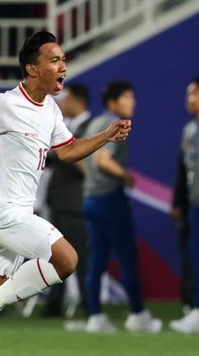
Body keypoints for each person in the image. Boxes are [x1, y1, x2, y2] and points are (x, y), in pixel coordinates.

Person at [0, 31, 132, 355]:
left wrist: (104, 135)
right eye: (54, 60)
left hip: (18, 215)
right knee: (67, 259)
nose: (63, 67)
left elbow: (69, 150)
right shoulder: (3, 105)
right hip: (2, 212)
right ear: (32, 69)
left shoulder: (51, 111)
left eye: (64, 60)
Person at [82, 80, 162, 334]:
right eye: (128, 97)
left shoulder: (94, 123)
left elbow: (84, 160)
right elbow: (103, 159)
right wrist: (125, 176)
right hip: (109, 198)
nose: (133, 102)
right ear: (113, 102)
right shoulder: (115, 124)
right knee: (127, 256)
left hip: (90, 198)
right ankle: (138, 315)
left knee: (96, 260)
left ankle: (95, 316)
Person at [41, 83, 92, 317]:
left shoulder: (92, 128)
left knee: (80, 255)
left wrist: (65, 153)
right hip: (58, 202)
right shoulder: (64, 127)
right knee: (54, 255)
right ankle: (54, 304)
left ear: (77, 100)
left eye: (66, 97)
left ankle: (90, 305)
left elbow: (86, 165)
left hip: (76, 202)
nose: (61, 102)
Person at [170, 77, 199, 333]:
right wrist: (178, 202)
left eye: (194, 94)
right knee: (194, 256)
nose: (189, 100)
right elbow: (182, 169)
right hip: (194, 205)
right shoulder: (189, 130)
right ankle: (196, 309)